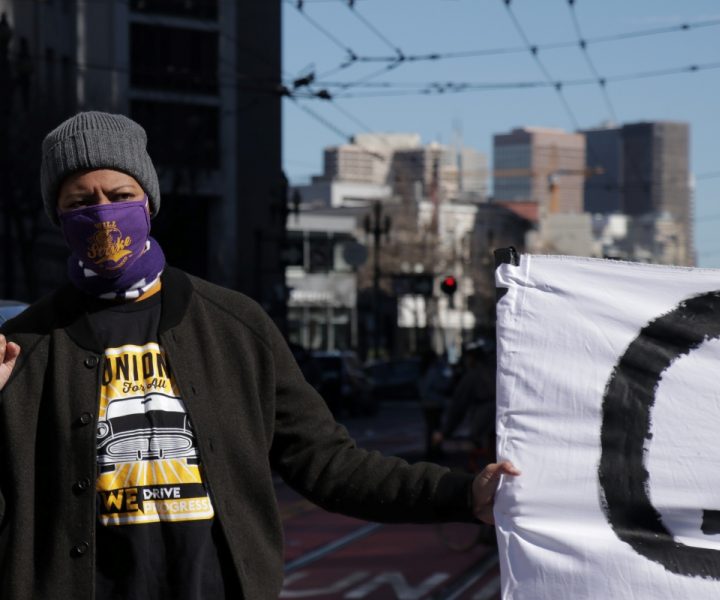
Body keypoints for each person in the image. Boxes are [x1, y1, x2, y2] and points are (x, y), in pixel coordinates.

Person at [0, 111, 519, 600]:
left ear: (148, 202)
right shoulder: (25, 346)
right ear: (56, 216)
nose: (102, 213)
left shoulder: (234, 326)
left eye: (119, 194)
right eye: (79, 202)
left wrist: (461, 493)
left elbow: (328, 462)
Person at [433, 339, 498, 463]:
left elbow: (458, 406)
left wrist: (444, 432)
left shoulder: (473, 375)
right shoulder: (500, 371)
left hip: (484, 429)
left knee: (484, 470)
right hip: (503, 429)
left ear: (472, 357)